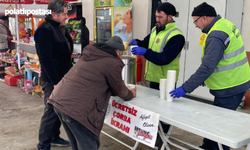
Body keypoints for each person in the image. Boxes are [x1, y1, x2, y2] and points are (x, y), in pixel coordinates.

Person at [170, 2, 250, 150]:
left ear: (205, 17)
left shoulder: (216, 35)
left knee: (221, 127)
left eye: (195, 21)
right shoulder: (224, 24)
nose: (195, 25)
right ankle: (208, 146)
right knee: (216, 122)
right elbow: (222, 60)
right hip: (235, 82)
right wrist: (207, 78)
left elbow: (207, 67)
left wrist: (185, 88)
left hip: (230, 87)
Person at [47, 36, 136, 150]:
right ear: (117, 51)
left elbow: (99, 81)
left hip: (59, 100)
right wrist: (131, 93)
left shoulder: (91, 55)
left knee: (76, 144)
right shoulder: (113, 61)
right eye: (121, 53)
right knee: (88, 144)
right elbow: (121, 90)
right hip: (77, 109)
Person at [129, 2, 185, 149]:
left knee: (165, 114)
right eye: (156, 16)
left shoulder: (177, 36)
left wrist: (145, 52)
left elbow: (165, 58)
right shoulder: (155, 29)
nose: (157, 19)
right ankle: (152, 135)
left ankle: (162, 138)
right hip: (152, 78)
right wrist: (138, 42)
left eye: (160, 17)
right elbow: (146, 43)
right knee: (152, 110)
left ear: (170, 17)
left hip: (166, 81)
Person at [34, 0, 73, 150]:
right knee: (51, 111)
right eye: (64, 13)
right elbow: (45, 59)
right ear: (54, 14)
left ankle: (54, 137)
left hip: (63, 76)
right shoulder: (44, 30)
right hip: (53, 79)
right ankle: (43, 145)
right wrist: (56, 81)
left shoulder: (59, 28)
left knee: (59, 109)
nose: (66, 16)